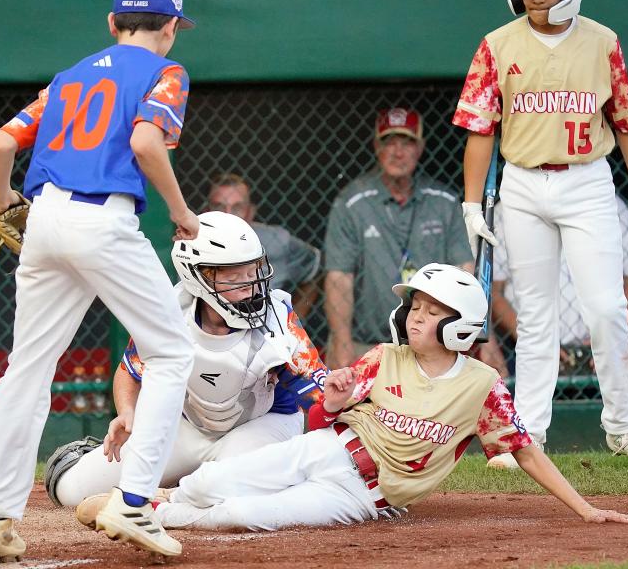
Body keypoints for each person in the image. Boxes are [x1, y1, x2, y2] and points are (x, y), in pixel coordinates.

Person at [99, 264, 628, 531]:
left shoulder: (482, 387)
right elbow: (325, 411)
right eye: (415, 309)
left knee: (247, 515)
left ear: (461, 329)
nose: (415, 317)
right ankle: (149, 499)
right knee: (213, 482)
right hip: (330, 451)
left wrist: (585, 510)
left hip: (366, 498)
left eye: (431, 313)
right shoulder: (384, 356)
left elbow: (524, 450)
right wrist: (334, 397)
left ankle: (152, 518)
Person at [0, 0, 200, 561]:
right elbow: (146, 145)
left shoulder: (68, 78)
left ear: (113, 23)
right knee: (171, 354)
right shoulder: (166, 70)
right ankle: (135, 501)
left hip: (44, 218)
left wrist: (4, 198)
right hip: (102, 220)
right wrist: (181, 210)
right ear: (170, 26)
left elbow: (0, 143)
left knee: (27, 369)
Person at [452, 0, 628, 467]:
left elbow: (626, 120)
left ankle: (624, 425)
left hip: (587, 181)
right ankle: (528, 435)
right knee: (536, 314)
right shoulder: (497, 44)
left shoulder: (602, 41)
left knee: (605, 307)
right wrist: (471, 205)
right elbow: (480, 129)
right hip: (523, 184)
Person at [44, 212, 328, 517]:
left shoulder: (278, 318)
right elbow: (130, 370)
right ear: (198, 276)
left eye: (252, 272)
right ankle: (110, 465)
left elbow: (318, 394)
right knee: (70, 491)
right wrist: (128, 413)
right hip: (188, 424)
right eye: (233, 277)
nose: (249, 286)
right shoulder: (168, 313)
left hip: (262, 424)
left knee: (229, 491)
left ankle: (171, 496)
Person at [486, 195, 628, 469]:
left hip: (595, 353)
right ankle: (526, 440)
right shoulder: (510, 209)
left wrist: (607, 341)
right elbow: (496, 292)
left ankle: (627, 431)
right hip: (531, 348)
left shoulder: (605, 201)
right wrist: (530, 337)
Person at [324, 107, 472, 370]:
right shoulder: (352, 203)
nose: (398, 152)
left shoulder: (444, 201)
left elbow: (465, 272)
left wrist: (476, 337)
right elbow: (339, 279)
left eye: (407, 142)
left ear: (420, 148)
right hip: (367, 342)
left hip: (433, 343)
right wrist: (342, 343)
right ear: (376, 147)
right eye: (389, 142)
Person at [206, 173, 321, 318]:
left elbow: (315, 268)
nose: (228, 215)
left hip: (265, 333)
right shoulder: (190, 245)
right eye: (219, 207)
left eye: (237, 208)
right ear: (207, 210)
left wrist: (293, 324)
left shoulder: (277, 241)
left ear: (250, 212)